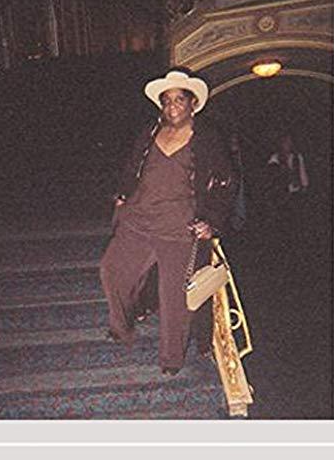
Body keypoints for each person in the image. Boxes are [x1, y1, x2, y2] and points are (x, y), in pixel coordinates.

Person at [100, 70, 234, 376]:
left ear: (192, 104)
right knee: (112, 270)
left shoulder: (207, 139)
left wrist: (211, 221)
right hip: (138, 220)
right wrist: (123, 195)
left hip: (179, 229)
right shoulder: (150, 132)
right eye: (167, 100)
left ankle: (172, 358)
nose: (172, 106)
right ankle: (122, 327)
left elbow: (225, 182)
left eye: (179, 100)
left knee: (174, 297)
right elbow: (132, 168)